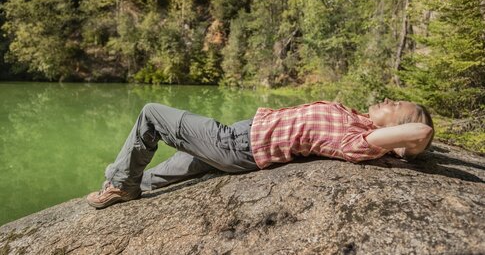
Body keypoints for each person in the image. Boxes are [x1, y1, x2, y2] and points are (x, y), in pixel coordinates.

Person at [86, 98, 434, 209]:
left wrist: (401, 142)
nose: (388, 100)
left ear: (393, 132)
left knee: (151, 113)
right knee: (153, 177)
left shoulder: (359, 141)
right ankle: (124, 182)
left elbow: (421, 133)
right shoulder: (355, 119)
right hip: (239, 141)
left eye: (396, 105)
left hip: (235, 145)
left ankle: (122, 184)